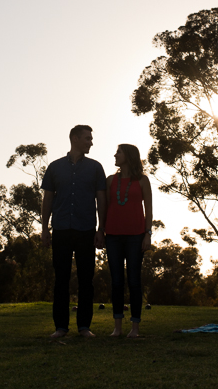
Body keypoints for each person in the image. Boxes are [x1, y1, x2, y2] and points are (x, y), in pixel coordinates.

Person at [40, 125, 107, 338]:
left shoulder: (96, 168)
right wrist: (44, 229)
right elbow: (48, 199)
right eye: (87, 138)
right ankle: (60, 327)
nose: (91, 142)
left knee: (86, 279)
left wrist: (101, 229)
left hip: (86, 230)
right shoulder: (55, 168)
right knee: (61, 279)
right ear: (75, 138)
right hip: (60, 229)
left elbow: (101, 200)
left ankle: (84, 327)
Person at [99, 144, 152, 338]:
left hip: (136, 236)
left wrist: (148, 234)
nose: (115, 155)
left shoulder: (143, 181)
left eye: (118, 152)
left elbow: (149, 210)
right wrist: (101, 230)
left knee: (134, 281)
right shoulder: (110, 180)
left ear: (128, 156)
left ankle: (135, 328)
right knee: (116, 281)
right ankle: (117, 327)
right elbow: (103, 207)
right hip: (112, 235)